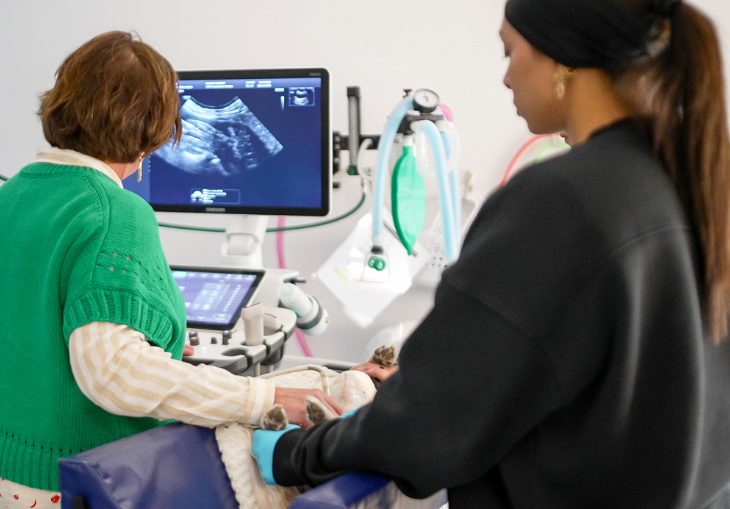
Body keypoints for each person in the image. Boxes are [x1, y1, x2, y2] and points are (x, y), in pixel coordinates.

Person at [252, 0, 730, 507]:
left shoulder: (562, 200)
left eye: (509, 52)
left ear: (561, 58)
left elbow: (425, 431)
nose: (505, 78)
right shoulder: (694, 185)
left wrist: (294, 452)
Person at [0, 31, 343, 509]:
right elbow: (113, 373)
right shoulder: (114, 211)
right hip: (65, 479)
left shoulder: (9, 196)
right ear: (151, 128)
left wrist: (154, 347)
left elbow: (28, 326)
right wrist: (262, 399)